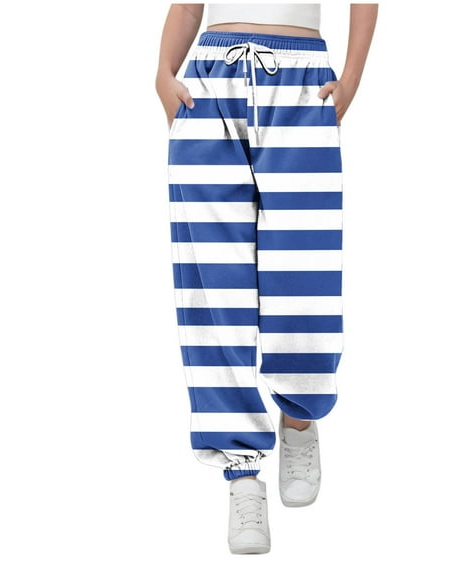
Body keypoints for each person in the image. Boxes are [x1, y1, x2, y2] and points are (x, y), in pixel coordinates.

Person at [155, 3, 378, 554]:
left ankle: (298, 418)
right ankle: (242, 473)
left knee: (305, 268)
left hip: (303, 85)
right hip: (211, 82)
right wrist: (163, 72)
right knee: (213, 281)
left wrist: (352, 77)